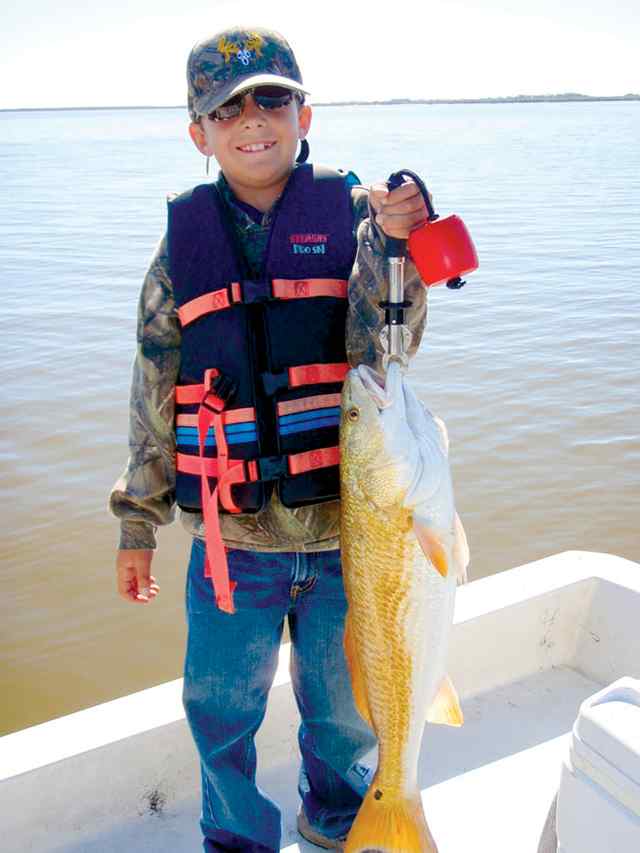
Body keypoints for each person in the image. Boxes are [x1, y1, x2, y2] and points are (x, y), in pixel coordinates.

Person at [110, 25, 429, 852]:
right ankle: (238, 836)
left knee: (341, 701)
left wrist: (400, 244)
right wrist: (135, 522)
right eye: (227, 108)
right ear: (199, 134)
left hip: (346, 532)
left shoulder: (357, 220)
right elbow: (153, 389)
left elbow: (390, 347)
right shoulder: (179, 248)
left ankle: (337, 813)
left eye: (273, 99)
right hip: (233, 542)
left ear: (304, 113)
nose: (254, 120)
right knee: (220, 706)